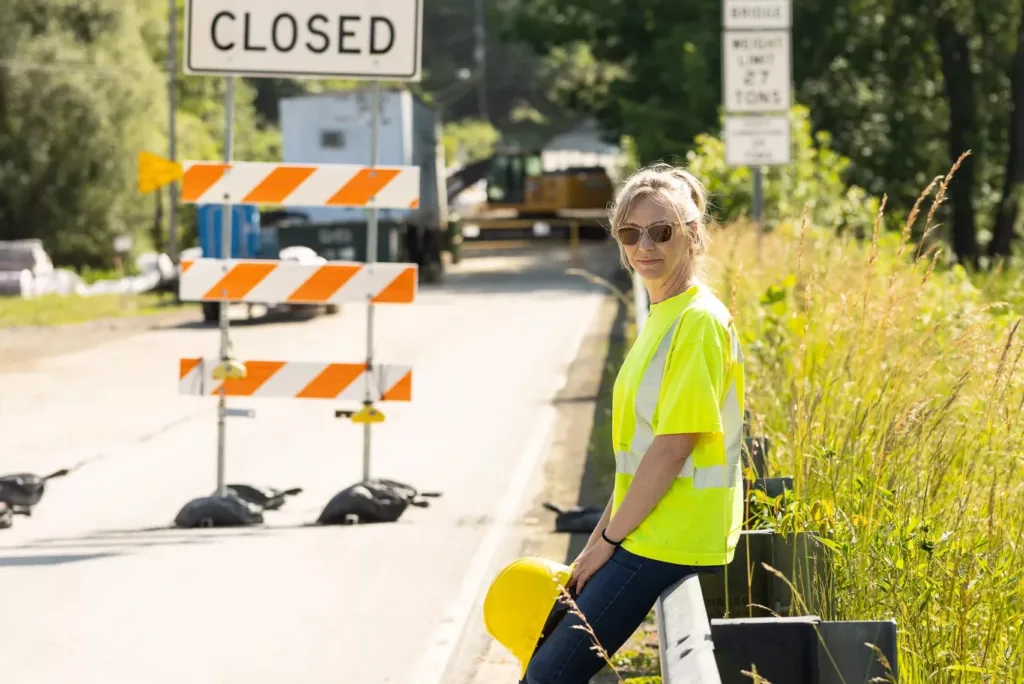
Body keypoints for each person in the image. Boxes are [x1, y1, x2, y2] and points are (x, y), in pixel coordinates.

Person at [520, 163, 746, 684]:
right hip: (649, 528)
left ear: (692, 234)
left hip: (669, 535)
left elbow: (672, 448)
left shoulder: (699, 321)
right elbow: (634, 461)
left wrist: (609, 543)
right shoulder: (663, 314)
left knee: (547, 678)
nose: (645, 245)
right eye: (630, 233)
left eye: (661, 231)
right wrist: (597, 537)